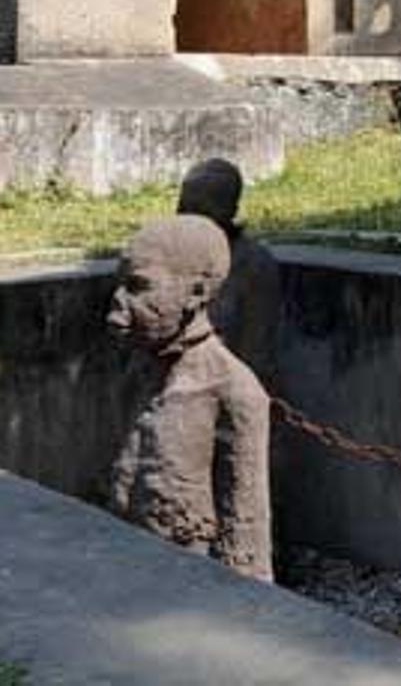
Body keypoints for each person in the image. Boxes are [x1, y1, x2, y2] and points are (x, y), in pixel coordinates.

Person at [107, 214, 273, 581]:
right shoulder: (138, 373)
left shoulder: (234, 391)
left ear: (196, 293)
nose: (117, 305)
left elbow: (246, 534)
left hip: (188, 585)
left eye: (138, 287)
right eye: (119, 286)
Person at [177, 156, 281, 387]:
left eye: (201, 209)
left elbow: (256, 351)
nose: (190, 218)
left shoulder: (253, 264)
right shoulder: (169, 253)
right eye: (184, 207)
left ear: (230, 211)